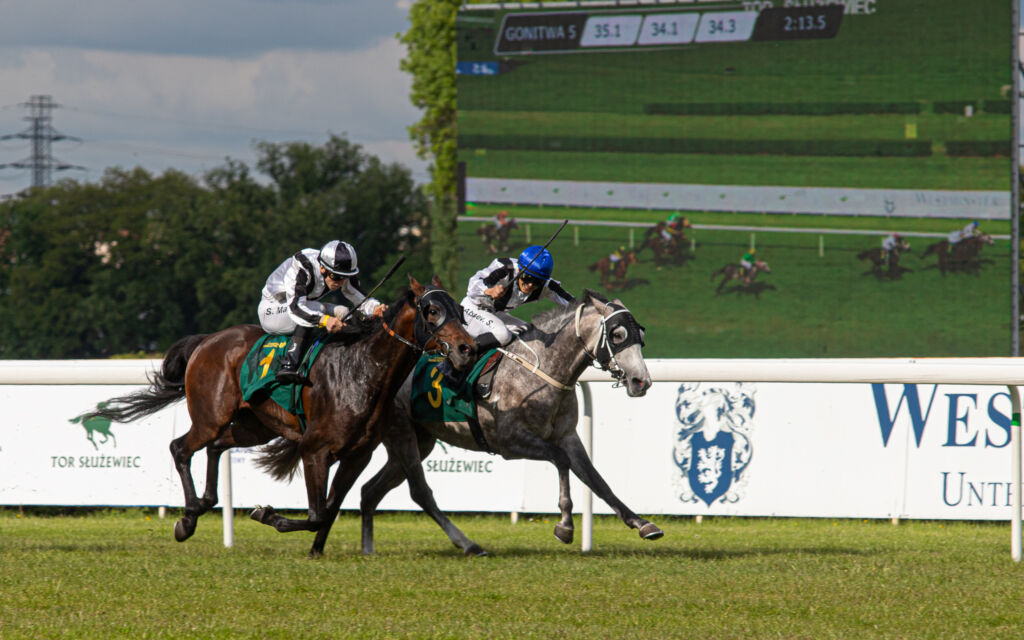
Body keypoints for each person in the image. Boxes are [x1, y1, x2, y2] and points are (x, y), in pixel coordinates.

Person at [258, 240, 384, 385]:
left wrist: (375, 308)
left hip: (305, 304)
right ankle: (289, 365)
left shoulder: (336, 268)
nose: (341, 282)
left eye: (345, 277)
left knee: (343, 312)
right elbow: (296, 308)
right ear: (323, 268)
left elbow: (356, 294)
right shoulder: (302, 266)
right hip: (273, 309)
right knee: (318, 309)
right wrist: (324, 320)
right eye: (336, 277)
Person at [462, 245, 575, 352]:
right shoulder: (504, 268)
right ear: (520, 270)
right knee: (503, 335)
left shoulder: (546, 285)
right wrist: (489, 290)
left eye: (537, 282)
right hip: (472, 309)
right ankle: (463, 354)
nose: (530, 285)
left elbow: (574, 303)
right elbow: (472, 285)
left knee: (532, 333)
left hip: (495, 314)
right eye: (527, 277)